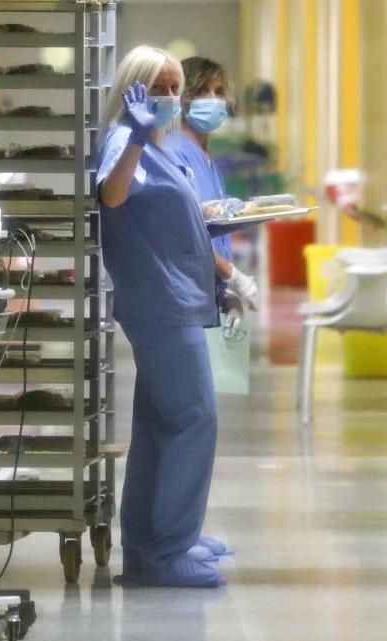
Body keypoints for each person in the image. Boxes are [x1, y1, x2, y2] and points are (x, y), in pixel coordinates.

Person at [96, 45, 226, 588]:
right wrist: (133, 132)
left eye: (176, 88)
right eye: (160, 88)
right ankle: (168, 549)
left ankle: (150, 544)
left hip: (174, 299)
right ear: (133, 91)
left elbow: (176, 213)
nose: (171, 98)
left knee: (159, 425)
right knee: (197, 418)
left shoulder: (160, 144)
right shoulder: (128, 142)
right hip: (159, 304)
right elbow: (113, 194)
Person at [163, 56, 259, 314]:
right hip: (185, 295)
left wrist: (225, 291)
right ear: (183, 98)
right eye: (202, 92)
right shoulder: (175, 154)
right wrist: (232, 276)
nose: (213, 100)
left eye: (219, 92)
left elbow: (213, 229)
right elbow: (186, 231)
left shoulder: (207, 158)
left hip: (208, 292)